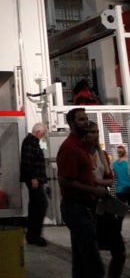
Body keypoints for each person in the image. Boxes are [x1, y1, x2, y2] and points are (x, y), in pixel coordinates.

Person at [56, 108, 110, 278]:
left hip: (85, 207)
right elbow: (65, 181)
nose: (85, 122)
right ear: (71, 123)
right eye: (81, 119)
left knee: (81, 262)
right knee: (94, 265)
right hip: (76, 208)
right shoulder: (70, 148)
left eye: (86, 119)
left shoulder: (81, 147)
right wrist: (94, 190)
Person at [86, 122, 126, 278]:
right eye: (92, 132)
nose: (95, 135)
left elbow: (109, 179)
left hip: (103, 202)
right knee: (90, 252)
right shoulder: (81, 154)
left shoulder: (101, 154)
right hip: (87, 204)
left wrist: (97, 181)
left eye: (97, 132)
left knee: (119, 252)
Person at [19, 122, 48, 246]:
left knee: (36, 206)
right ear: (38, 132)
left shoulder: (31, 142)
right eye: (43, 133)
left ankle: (32, 235)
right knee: (40, 205)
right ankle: (35, 235)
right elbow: (27, 161)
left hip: (35, 179)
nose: (43, 136)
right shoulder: (30, 142)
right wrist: (33, 177)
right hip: (35, 179)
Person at [112, 144, 130, 229]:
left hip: (119, 190)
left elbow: (114, 177)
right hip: (128, 189)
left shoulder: (115, 164)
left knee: (120, 214)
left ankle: (117, 232)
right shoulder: (128, 164)